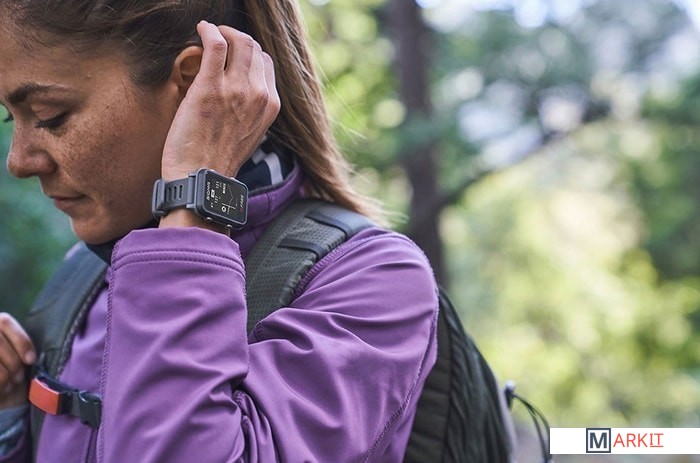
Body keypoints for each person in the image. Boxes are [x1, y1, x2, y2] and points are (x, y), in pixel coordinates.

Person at [0, 1, 439, 462]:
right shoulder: (88, 272)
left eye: (49, 115)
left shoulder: (375, 283)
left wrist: (196, 201)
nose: (18, 161)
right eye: (11, 117)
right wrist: (12, 420)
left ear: (194, 83)